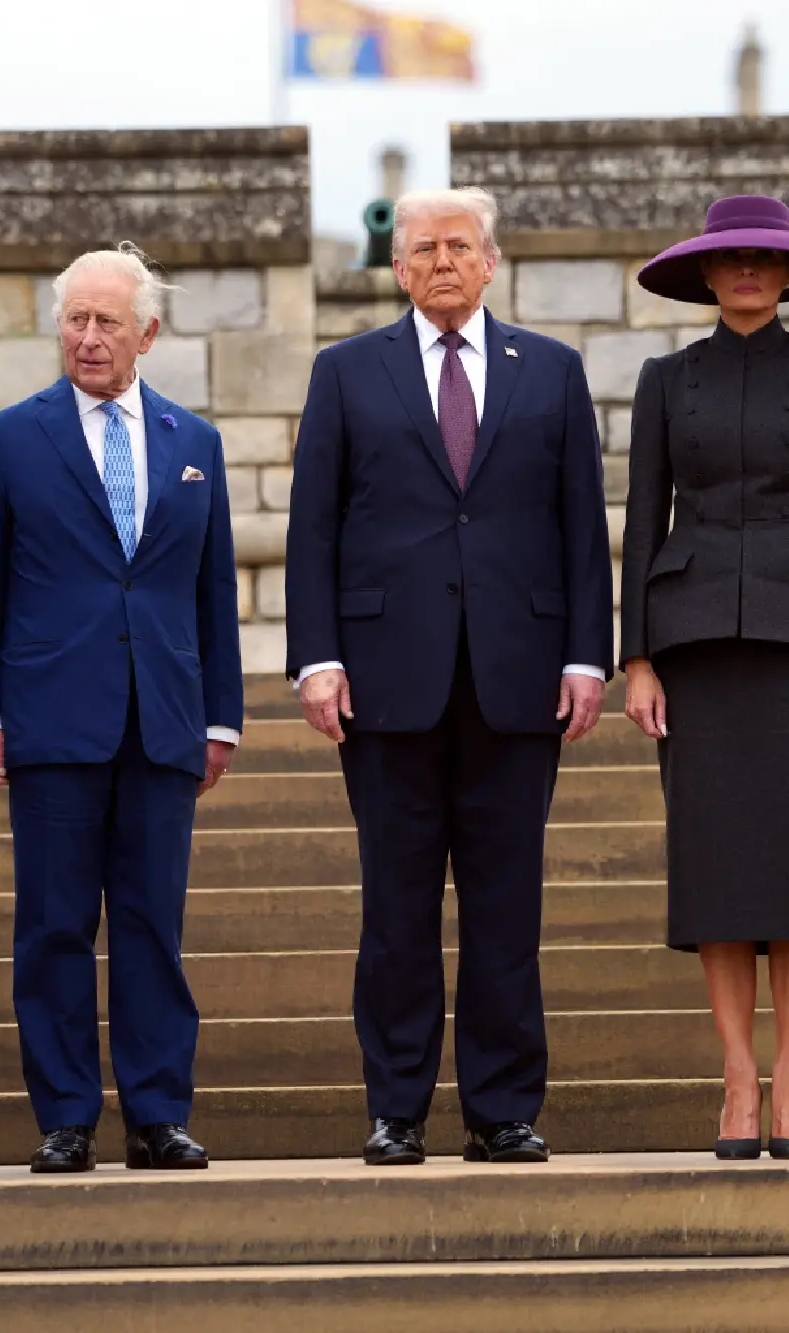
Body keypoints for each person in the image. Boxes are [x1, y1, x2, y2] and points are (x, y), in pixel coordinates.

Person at [284, 187, 612, 1167]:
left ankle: (500, 1108)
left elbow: (579, 527)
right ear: (396, 266)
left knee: (505, 908)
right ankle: (394, 1108)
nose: (440, 262)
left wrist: (586, 653)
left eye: (457, 246)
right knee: (395, 907)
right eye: (422, 247)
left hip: (517, 680)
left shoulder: (550, 373)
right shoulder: (345, 373)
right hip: (387, 682)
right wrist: (316, 655)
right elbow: (315, 527)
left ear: (490, 261)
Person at [0, 243, 243, 1174]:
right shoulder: (9, 438)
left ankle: (158, 1114)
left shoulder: (195, 444)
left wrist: (221, 715)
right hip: (50, 719)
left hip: (162, 718)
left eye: (105, 321)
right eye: (74, 319)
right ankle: (66, 1116)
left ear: (145, 334)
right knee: (53, 924)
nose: (86, 337)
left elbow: (211, 590)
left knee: (155, 923)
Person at [617, 195, 789, 1161]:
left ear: (787, 274)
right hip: (693, 645)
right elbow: (643, 519)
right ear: (704, 273)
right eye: (728, 260)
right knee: (717, 866)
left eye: (762, 260)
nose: (745, 273)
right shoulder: (664, 380)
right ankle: (736, 1076)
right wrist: (636, 657)